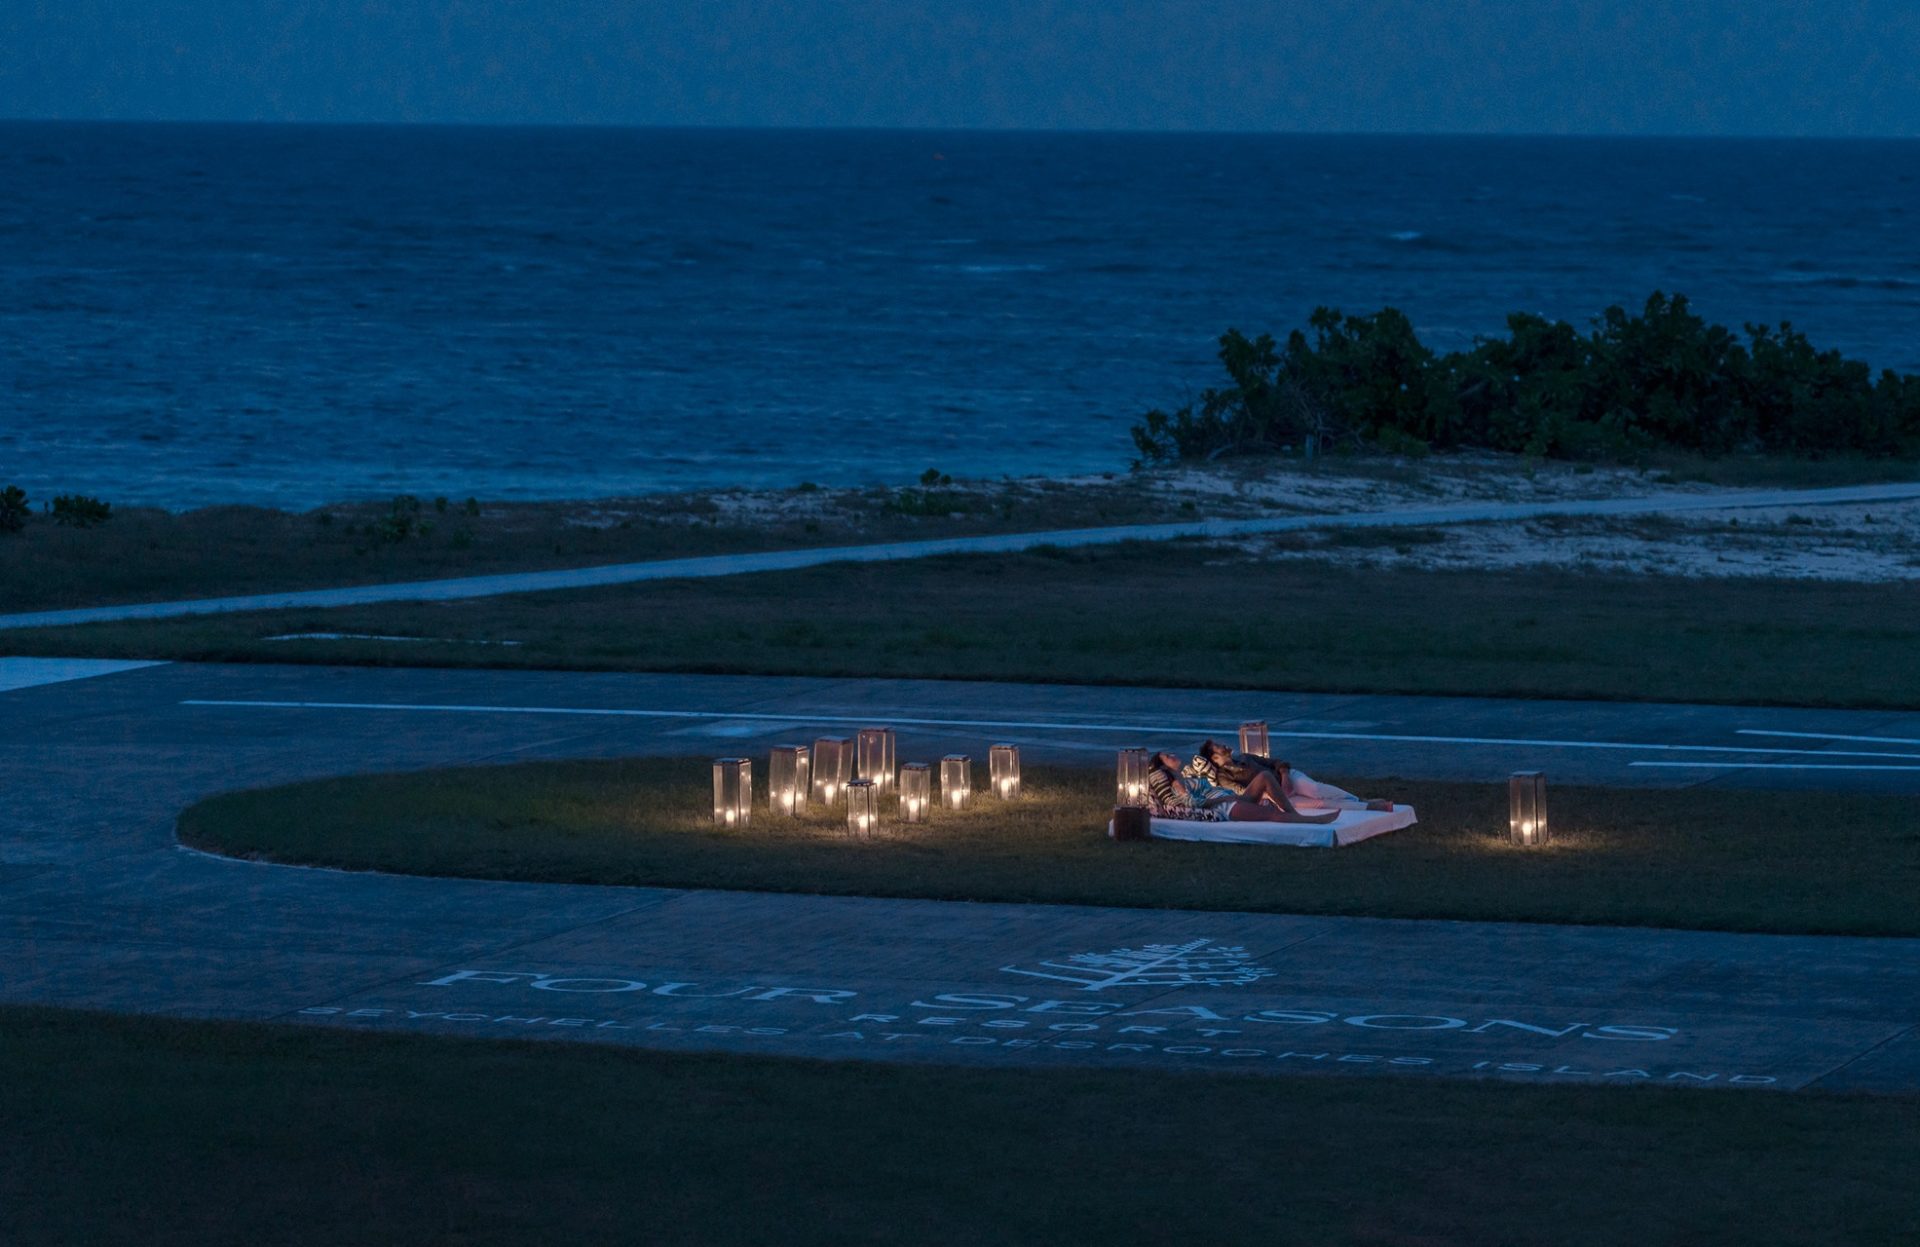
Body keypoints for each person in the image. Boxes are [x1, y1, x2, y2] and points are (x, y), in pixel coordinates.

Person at [1197, 740, 1395, 813]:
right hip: (1276, 796)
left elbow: (1275, 762)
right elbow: (1246, 793)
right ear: (1215, 757)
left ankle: (1359, 799)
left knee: (1316, 790)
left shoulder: (1246, 757)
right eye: (1218, 747)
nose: (1224, 746)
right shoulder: (1224, 777)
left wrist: (1284, 777)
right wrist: (1276, 792)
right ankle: (1370, 806)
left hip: (1289, 778)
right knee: (1320, 805)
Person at [1147, 752, 1337, 824]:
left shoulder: (1186, 777)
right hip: (1223, 807)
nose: (1173, 755)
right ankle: (1315, 821)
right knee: (1271, 816)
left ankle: (1294, 813)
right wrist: (1223, 800)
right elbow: (1189, 804)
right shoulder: (1176, 784)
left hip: (1229, 798)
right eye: (1166, 756)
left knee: (1265, 776)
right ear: (1163, 766)